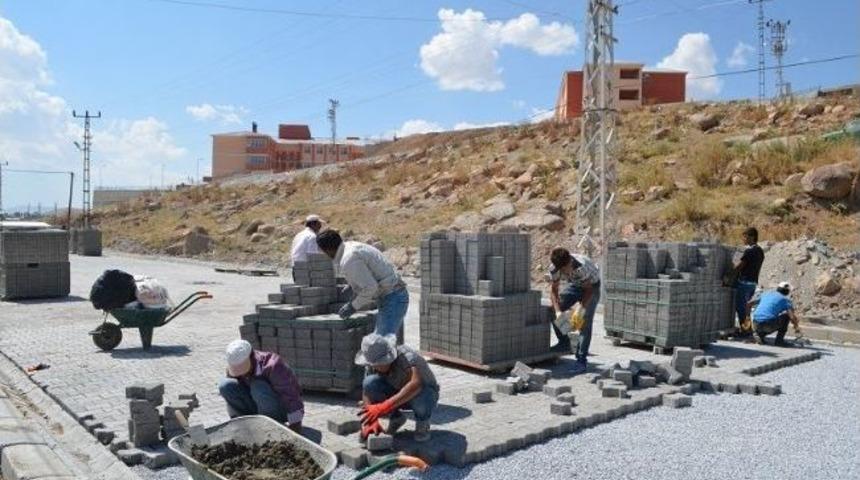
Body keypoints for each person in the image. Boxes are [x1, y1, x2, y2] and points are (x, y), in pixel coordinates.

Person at [316, 229, 408, 336]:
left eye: (323, 251)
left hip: (393, 297)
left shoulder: (349, 259)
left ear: (328, 250)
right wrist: (353, 284)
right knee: (382, 343)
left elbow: (370, 288)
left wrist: (353, 306)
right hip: (391, 295)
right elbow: (368, 271)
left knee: (381, 343)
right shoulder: (350, 247)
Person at [356, 333, 438, 443]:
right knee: (370, 382)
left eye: (380, 364)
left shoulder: (407, 357)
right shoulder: (371, 361)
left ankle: (423, 424)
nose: (376, 367)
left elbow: (416, 384)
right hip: (397, 393)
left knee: (422, 399)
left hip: (423, 394)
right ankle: (396, 419)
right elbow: (367, 390)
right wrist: (371, 422)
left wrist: (383, 407)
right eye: (374, 364)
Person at [217, 339, 304, 433]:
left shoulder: (273, 366)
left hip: (281, 409)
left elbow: (291, 396)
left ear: (251, 357)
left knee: (258, 386)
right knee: (225, 385)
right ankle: (245, 425)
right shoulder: (235, 366)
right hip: (258, 405)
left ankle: (268, 427)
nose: (241, 374)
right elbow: (233, 395)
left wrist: (295, 424)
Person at [548, 247, 601, 374]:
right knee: (551, 310)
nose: (567, 270)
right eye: (564, 269)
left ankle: (581, 360)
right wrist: (558, 312)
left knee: (584, 322)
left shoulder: (580, 267)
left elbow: (588, 290)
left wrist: (580, 309)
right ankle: (564, 342)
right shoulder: (554, 268)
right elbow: (554, 290)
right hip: (575, 285)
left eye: (567, 267)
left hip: (592, 287)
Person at [750, 282, 802, 347]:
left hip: (756, 323)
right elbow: (792, 317)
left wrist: (747, 318)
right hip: (768, 324)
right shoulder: (785, 300)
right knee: (786, 316)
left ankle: (759, 335)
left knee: (767, 318)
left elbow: (749, 303)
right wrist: (796, 327)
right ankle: (779, 341)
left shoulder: (766, 294)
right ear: (787, 291)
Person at [734, 227, 765, 330]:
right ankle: (747, 328)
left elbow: (740, 266)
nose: (744, 239)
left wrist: (729, 273)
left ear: (752, 237)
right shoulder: (760, 251)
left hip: (744, 282)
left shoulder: (749, 251)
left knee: (740, 307)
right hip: (753, 283)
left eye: (745, 236)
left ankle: (745, 329)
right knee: (747, 307)